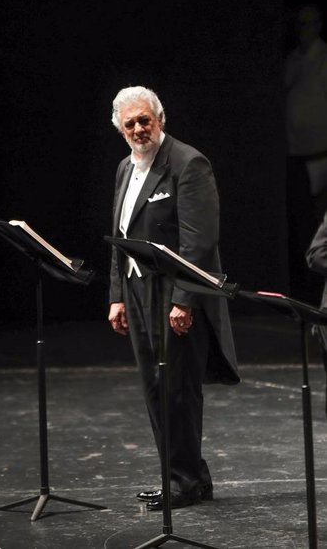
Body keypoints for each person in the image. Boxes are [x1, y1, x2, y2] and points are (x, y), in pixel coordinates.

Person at [107, 86, 240, 510]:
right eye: (130, 124)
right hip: (136, 291)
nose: (138, 129)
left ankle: (185, 481)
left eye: (145, 120)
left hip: (173, 294)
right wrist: (117, 295)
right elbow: (121, 239)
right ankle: (183, 477)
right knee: (155, 388)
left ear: (160, 119)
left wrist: (184, 299)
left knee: (178, 389)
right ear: (120, 129)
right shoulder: (125, 169)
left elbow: (198, 243)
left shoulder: (187, 163)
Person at [285, 3, 327, 302]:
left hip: (322, 154)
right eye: (300, 23)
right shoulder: (292, 60)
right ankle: (311, 299)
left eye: (310, 23)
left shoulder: (324, 58)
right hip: (296, 154)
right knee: (308, 231)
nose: (304, 29)